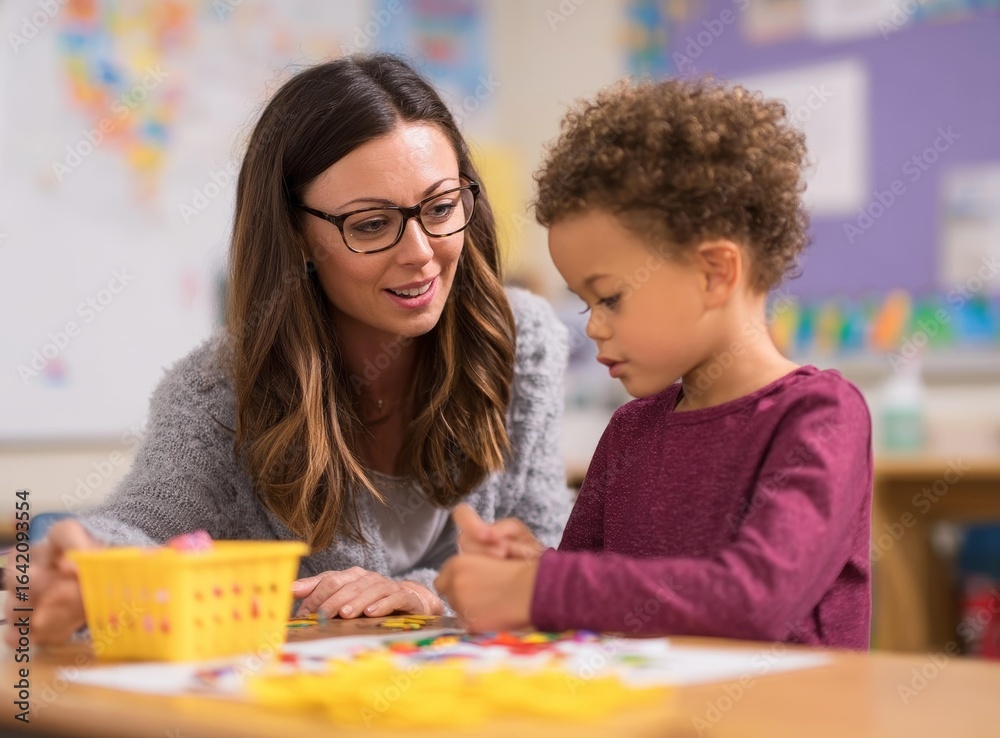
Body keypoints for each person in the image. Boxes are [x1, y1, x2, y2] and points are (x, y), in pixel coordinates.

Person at [7, 53, 570, 648]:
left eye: (440, 208)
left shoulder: (521, 341)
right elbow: (139, 531)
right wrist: (87, 565)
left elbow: (547, 550)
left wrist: (426, 593)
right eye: (371, 224)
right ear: (295, 236)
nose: (421, 253)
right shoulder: (217, 392)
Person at [436, 77, 874, 649]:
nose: (592, 326)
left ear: (715, 274)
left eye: (610, 298)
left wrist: (543, 586)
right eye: (584, 303)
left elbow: (756, 600)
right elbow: (597, 593)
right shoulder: (631, 429)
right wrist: (531, 565)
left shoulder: (822, 416)